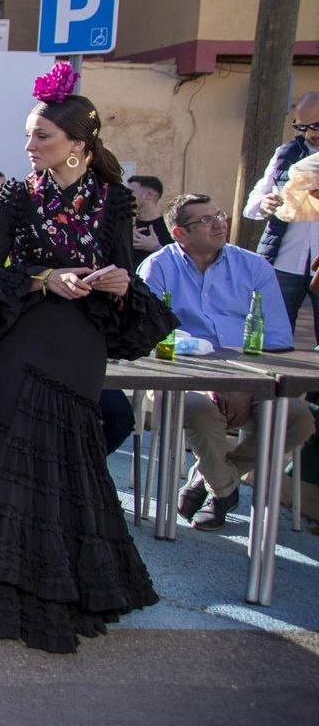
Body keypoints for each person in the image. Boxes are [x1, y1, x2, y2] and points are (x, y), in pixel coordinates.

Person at [0, 61, 174, 653]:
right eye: (29, 134)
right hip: (24, 338)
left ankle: (70, 587)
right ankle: (3, 587)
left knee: (71, 455)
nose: (29, 145)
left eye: (42, 136)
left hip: (81, 343)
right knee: (16, 451)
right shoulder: (16, 195)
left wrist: (118, 284)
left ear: (77, 146)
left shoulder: (114, 202)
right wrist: (44, 278)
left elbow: (124, 275)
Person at [139, 193, 311, 531]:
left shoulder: (254, 266)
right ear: (179, 234)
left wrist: (242, 382)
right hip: (178, 377)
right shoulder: (158, 267)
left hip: (248, 376)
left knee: (299, 420)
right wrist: (210, 379)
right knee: (200, 411)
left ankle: (207, 480)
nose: (218, 223)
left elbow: (276, 338)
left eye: (219, 215)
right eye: (205, 220)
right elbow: (150, 337)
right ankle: (225, 490)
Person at [243, 90, 319, 346]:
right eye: (303, 127)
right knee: (271, 338)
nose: (311, 134)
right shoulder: (285, 153)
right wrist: (263, 204)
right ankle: (273, 386)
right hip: (284, 262)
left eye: (317, 126)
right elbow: (252, 204)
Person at [127, 175, 171, 262]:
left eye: (130, 192)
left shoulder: (169, 228)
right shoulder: (126, 226)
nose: (126, 196)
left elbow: (179, 263)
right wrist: (126, 240)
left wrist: (156, 248)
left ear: (148, 195)